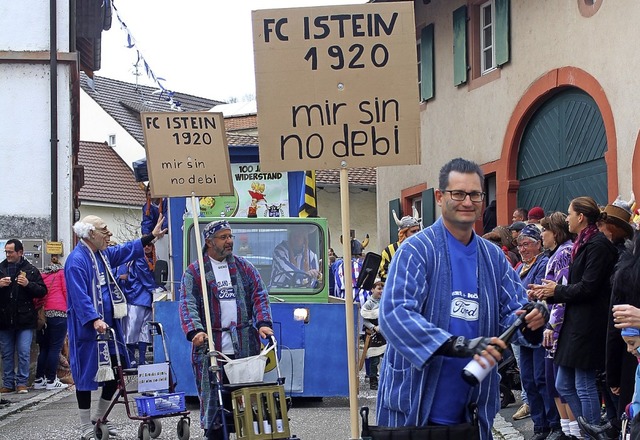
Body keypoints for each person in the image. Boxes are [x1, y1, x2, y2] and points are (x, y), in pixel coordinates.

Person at [376, 158, 548, 440]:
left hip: (472, 411)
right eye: (458, 193)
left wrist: (531, 320)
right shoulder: (416, 250)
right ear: (440, 196)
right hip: (416, 407)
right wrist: (458, 345)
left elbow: (513, 311)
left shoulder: (493, 258)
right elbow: (395, 315)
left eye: (475, 194)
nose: (467, 201)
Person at [65, 214, 167, 440]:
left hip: (110, 327)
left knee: (115, 372)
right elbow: (79, 295)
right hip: (89, 328)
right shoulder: (76, 260)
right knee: (85, 375)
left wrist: (151, 236)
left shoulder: (102, 254)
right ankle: (84, 427)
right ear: (91, 234)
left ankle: (99, 419)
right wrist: (93, 319)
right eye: (104, 230)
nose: (109, 233)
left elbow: (125, 250)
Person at [178, 220, 273, 440]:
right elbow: (187, 303)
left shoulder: (243, 267)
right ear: (209, 242)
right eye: (223, 237)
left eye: (230, 236)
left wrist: (263, 323)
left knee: (246, 403)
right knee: (214, 402)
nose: (230, 241)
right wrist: (195, 331)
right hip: (211, 347)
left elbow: (259, 295)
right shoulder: (195, 272)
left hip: (244, 346)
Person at [529, 196, 618, 427]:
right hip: (575, 322)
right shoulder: (582, 242)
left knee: (584, 384)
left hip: (588, 323)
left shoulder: (598, 245)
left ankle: (593, 430)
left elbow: (589, 287)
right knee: (563, 384)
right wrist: (551, 290)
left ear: (580, 217)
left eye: (569, 213)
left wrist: (556, 290)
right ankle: (588, 429)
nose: (567, 218)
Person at [513, 224, 561, 439]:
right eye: (520, 245)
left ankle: (553, 423)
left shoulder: (542, 263)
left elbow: (537, 293)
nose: (522, 249)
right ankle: (539, 425)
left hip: (540, 329)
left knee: (542, 378)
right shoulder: (517, 268)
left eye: (527, 244)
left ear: (538, 245)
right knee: (528, 379)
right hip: (523, 331)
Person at [540, 212, 579, 439]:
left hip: (558, 329)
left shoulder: (564, 253)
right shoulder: (555, 253)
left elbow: (561, 293)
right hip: (552, 327)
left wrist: (552, 326)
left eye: (544, 230)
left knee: (563, 384)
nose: (542, 235)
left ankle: (573, 431)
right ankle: (566, 429)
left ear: (554, 232)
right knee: (552, 383)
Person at [0, 239, 47, 394]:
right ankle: (8, 383)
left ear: (20, 252)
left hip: (25, 319)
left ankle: (22, 383)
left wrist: (28, 284)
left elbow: (42, 291)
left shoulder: (30, 269)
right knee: (6, 353)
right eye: (6, 252)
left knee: (23, 352)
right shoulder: (1, 269)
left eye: (10, 252)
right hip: (5, 318)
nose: (7, 255)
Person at [119, 242, 160, 368]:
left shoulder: (152, 259)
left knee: (144, 329)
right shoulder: (139, 260)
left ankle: (141, 359)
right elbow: (146, 278)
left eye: (149, 245)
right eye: (144, 245)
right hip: (136, 297)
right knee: (133, 328)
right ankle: (131, 359)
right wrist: (156, 288)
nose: (147, 247)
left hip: (144, 298)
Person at [34, 255, 69, 391]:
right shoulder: (62, 273)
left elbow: (38, 295)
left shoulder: (42, 275)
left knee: (44, 348)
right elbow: (66, 292)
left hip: (44, 315)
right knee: (55, 347)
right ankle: (51, 380)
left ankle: (39, 379)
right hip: (59, 313)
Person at [378, 211, 421, 282]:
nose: (417, 234)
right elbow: (383, 274)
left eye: (418, 231)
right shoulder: (389, 250)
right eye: (413, 231)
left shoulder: (423, 249)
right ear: (403, 233)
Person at [361, 280, 386, 391]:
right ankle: (373, 380)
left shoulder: (385, 302)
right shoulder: (369, 304)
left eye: (382, 289)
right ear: (372, 289)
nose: (381, 291)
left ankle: (386, 379)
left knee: (386, 358)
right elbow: (365, 319)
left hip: (385, 334)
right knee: (374, 359)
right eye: (379, 288)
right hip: (374, 335)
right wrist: (373, 327)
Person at [333, 238, 371, 307]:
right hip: (365, 303)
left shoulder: (340, 266)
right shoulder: (365, 264)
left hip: (345, 302)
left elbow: (337, 290)